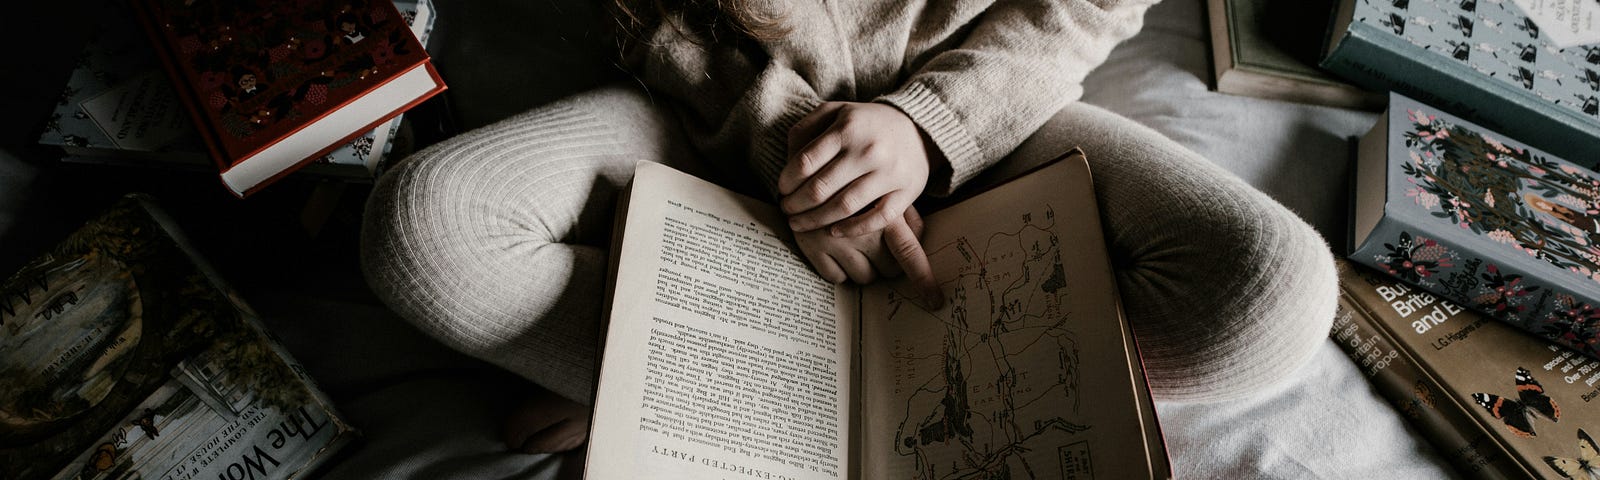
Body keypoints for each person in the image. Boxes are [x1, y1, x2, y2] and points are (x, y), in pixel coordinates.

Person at [360, 0, 1339, 455]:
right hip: (689, 113)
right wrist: (797, 154)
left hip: (967, 102)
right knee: (427, 228)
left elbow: (1083, 8)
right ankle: (694, 398)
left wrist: (928, 129)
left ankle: (667, 381)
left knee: (1269, 295)